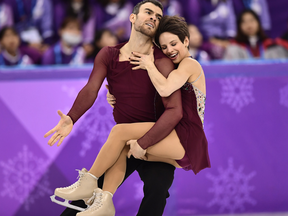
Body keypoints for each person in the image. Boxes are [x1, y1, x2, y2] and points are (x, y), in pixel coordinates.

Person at [45, 1, 179, 216]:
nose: (154, 17)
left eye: (158, 16)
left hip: (156, 139)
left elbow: (175, 107)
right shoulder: (108, 54)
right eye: (148, 12)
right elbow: (91, 89)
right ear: (132, 17)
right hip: (123, 144)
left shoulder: (162, 60)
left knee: (157, 189)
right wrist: (71, 117)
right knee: (89, 194)